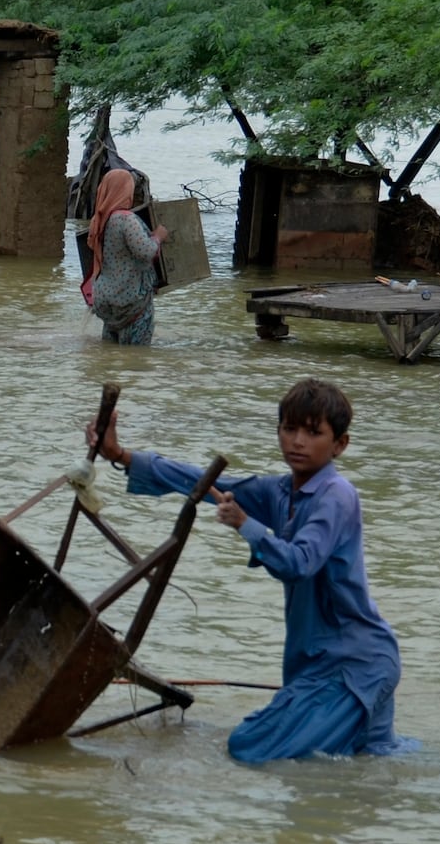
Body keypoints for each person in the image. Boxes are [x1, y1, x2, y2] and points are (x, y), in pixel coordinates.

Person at [88, 378, 405, 762]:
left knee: (249, 747)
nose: (298, 442)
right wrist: (121, 455)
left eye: (313, 432)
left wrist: (246, 525)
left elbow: (299, 563)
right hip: (326, 666)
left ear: (340, 444)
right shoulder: (282, 492)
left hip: (352, 667)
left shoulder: (337, 497)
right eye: (289, 429)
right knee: (375, 761)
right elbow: (206, 483)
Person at [81, 168, 170, 346]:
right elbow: (145, 251)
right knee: (137, 361)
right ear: (125, 190)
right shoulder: (125, 219)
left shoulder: (98, 221)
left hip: (106, 298)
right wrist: (158, 236)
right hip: (130, 299)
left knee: (110, 355)